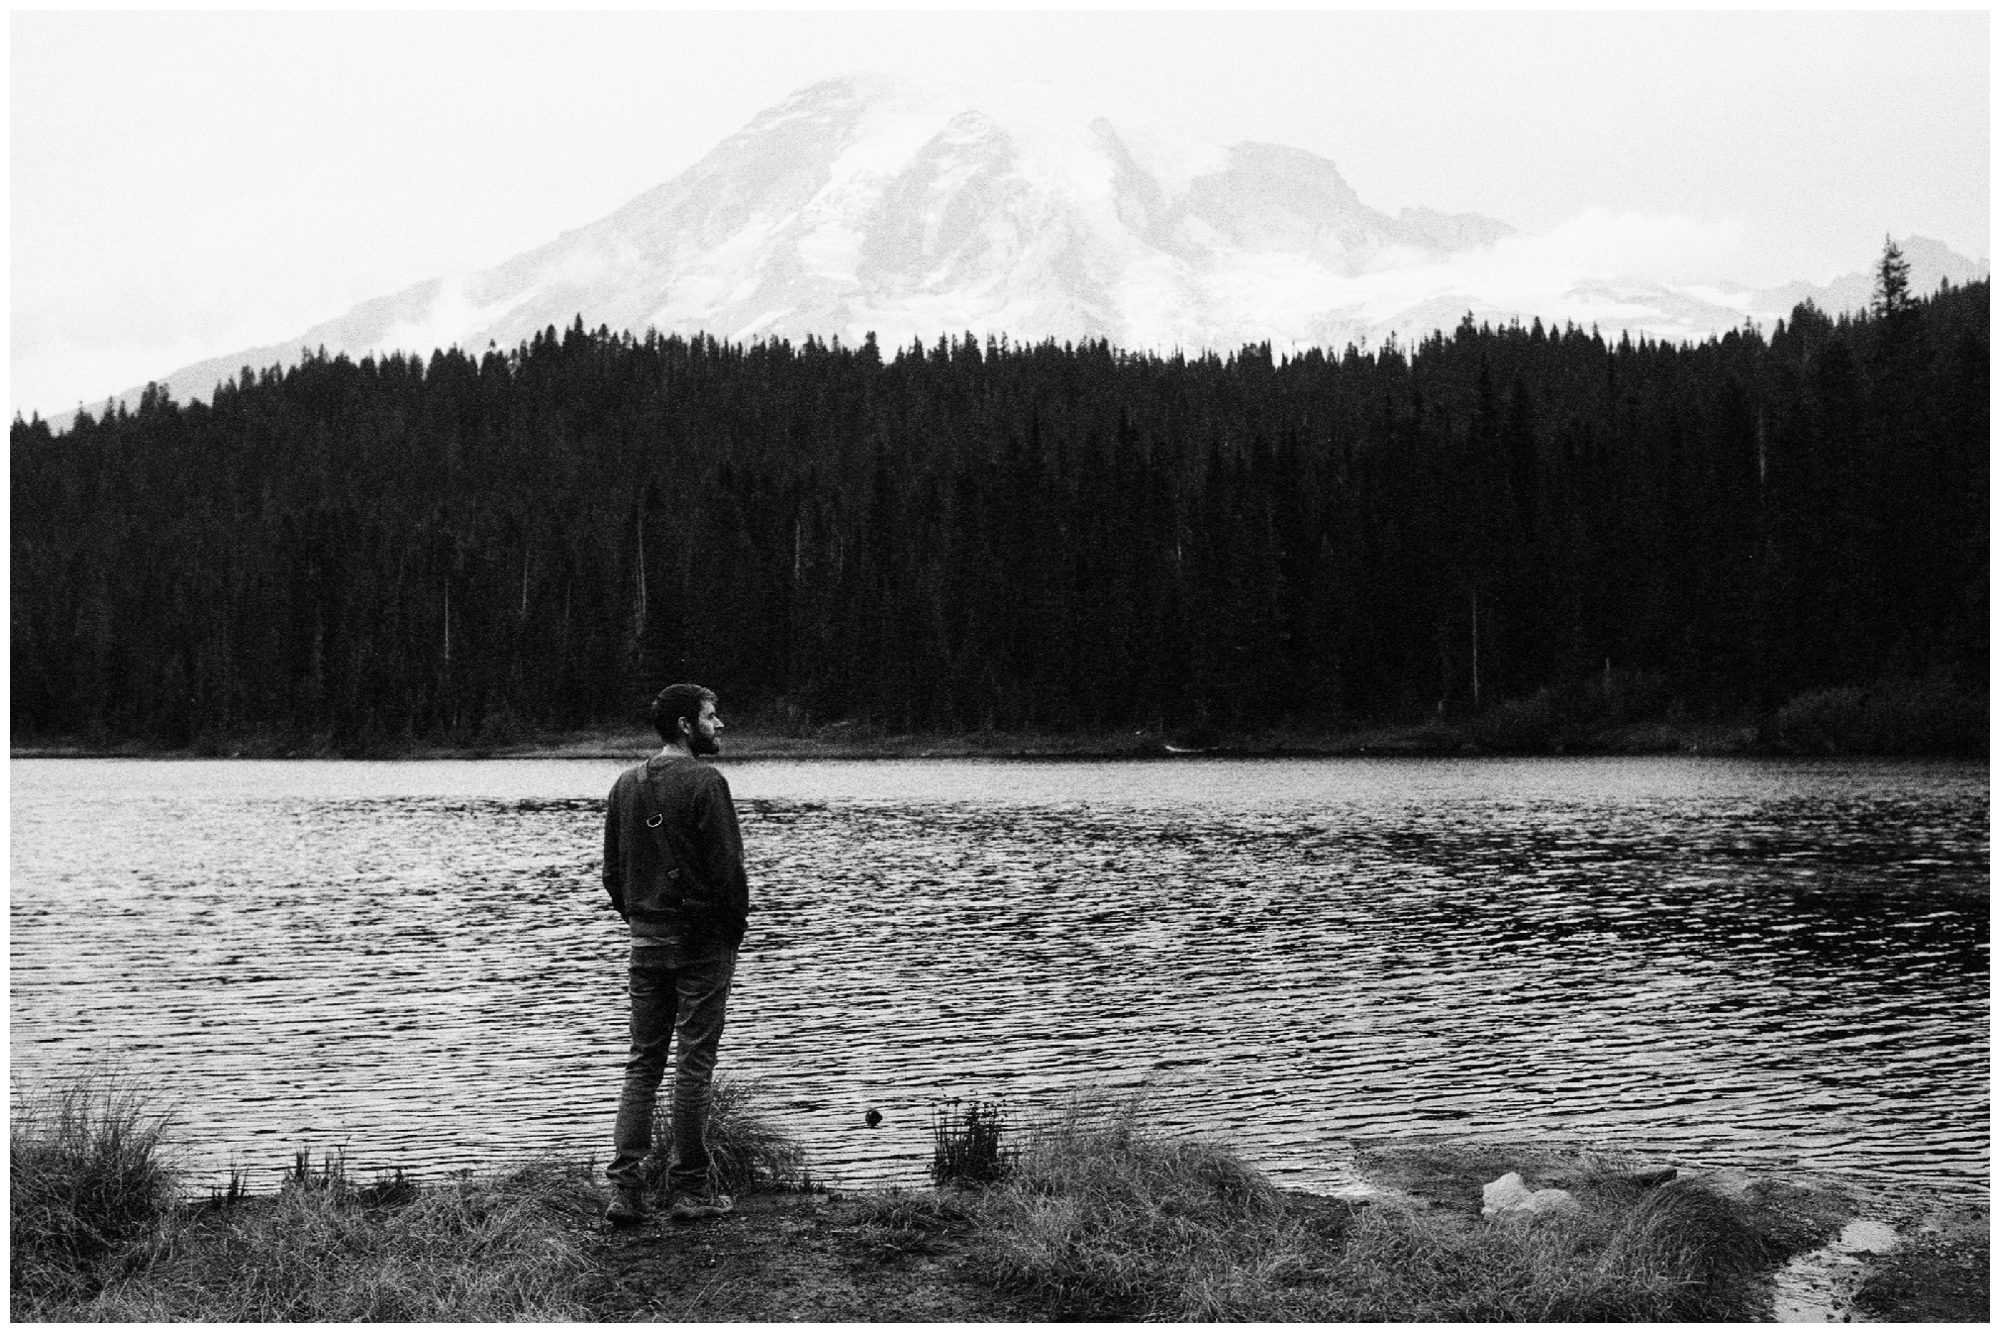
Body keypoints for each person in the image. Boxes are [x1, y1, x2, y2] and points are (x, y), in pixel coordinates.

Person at [601, 682, 750, 1225]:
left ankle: (626, 1192)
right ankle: (690, 1190)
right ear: (686, 725)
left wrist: (643, 920)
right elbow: (729, 873)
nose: (720, 724)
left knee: (643, 1063)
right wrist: (732, 932)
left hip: (645, 940)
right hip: (701, 942)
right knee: (693, 1064)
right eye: (711, 716)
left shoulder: (625, 783)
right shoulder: (707, 782)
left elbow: (612, 875)